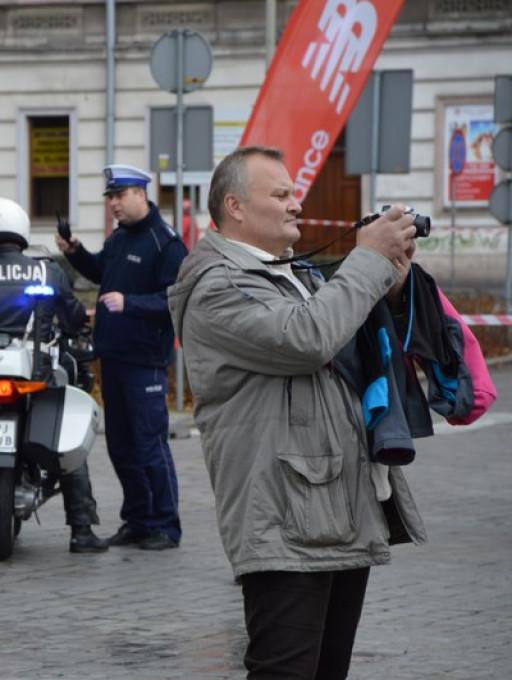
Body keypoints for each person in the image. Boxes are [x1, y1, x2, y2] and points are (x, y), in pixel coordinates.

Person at [167, 145, 426, 679]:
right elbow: (307, 338)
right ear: (234, 207)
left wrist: (391, 282)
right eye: (280, 194)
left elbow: (350, 342)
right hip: (283, 517)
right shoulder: (218, 285)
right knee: (284, 672)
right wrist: (367, 259)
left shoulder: (290, 272)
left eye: (294, 193)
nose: (295, 205)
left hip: (337, 504)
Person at [0, 197, 109, 554]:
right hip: (34, 370)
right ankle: (82, 530)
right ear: (23, 230)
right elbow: (75, 318)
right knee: (65, 432)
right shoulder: (47, 271)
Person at [55, 165, 187, 551]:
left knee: (149, 444)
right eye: (110, 197)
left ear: (141, 195)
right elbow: (102, 272)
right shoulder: (120, 239)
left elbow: (176, 297)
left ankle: (166, 526)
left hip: (144, 361)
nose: (113, 204)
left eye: (119, 196)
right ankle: (137, 520)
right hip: (112, 357)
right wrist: (76, 253)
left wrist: (133, 303)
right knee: (121, 446)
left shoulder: (166, 243)